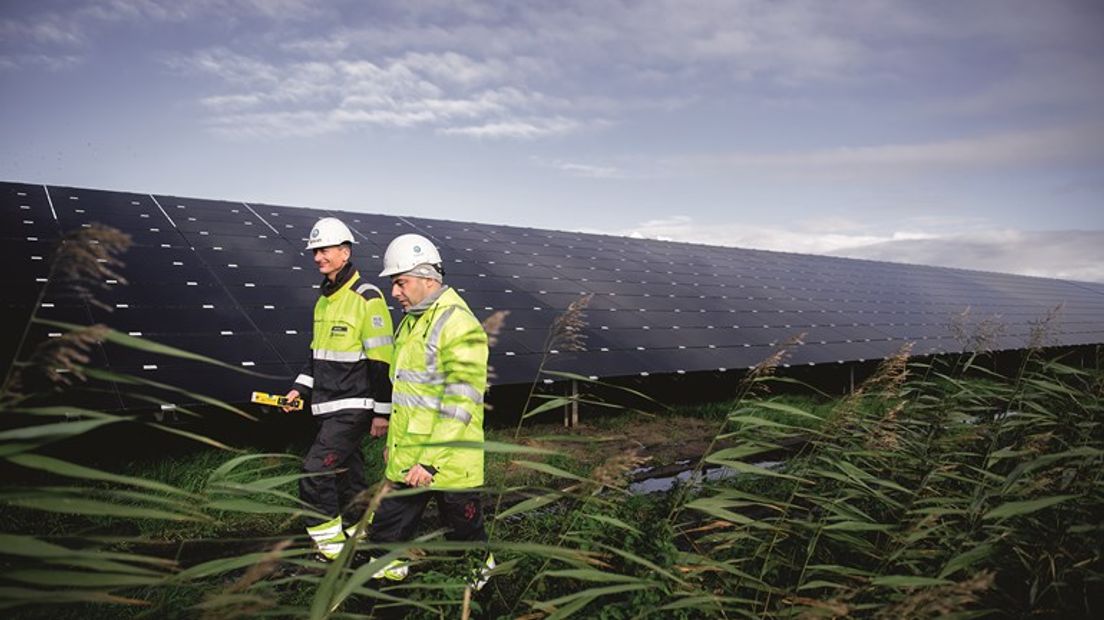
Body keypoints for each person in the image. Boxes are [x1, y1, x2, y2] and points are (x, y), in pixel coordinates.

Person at [369, 233, 494, 586]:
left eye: (400, 283)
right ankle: (386, 594)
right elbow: (408, 395)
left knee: (464, 537)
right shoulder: (411, 321)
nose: (394, 293)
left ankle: (481, 595)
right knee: (386, 534)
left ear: (428, 278)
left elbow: (460, 401)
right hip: (408, 457)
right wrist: (395, 446)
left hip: (448, 461)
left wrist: (431, 460)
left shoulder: (458, 323)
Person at [284, 217, 394, 561]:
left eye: (325, 250)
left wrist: (381, 412)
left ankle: (330, 548)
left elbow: (382, 361)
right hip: (325, 406)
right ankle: (364, 534)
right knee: (349, 476)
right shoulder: (324, 300)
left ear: (344, 253)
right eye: (315, 251)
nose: (318, 257)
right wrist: (298, 391)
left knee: (315, 472)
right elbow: (316, 356)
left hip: (353, 408)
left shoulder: (367, 297)